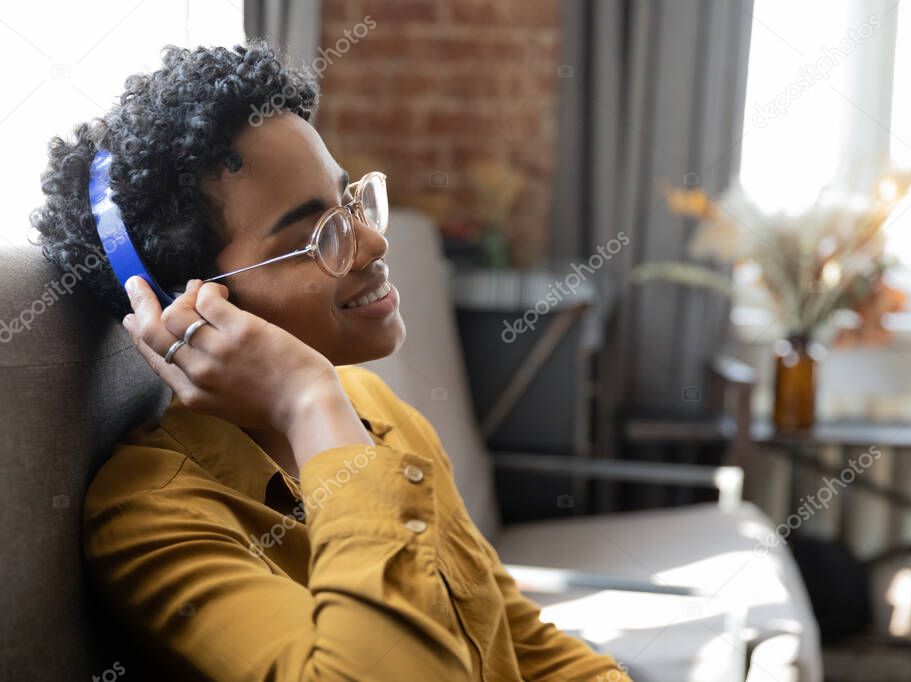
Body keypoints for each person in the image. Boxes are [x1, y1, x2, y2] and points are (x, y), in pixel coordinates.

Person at [32, 41, 631, 681]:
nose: (372, 240)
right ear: (194, 310)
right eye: (315, 237)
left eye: (352, 201)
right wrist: (305, 401)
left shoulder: (375, 408)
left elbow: (519, 640)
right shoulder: (156, 518)